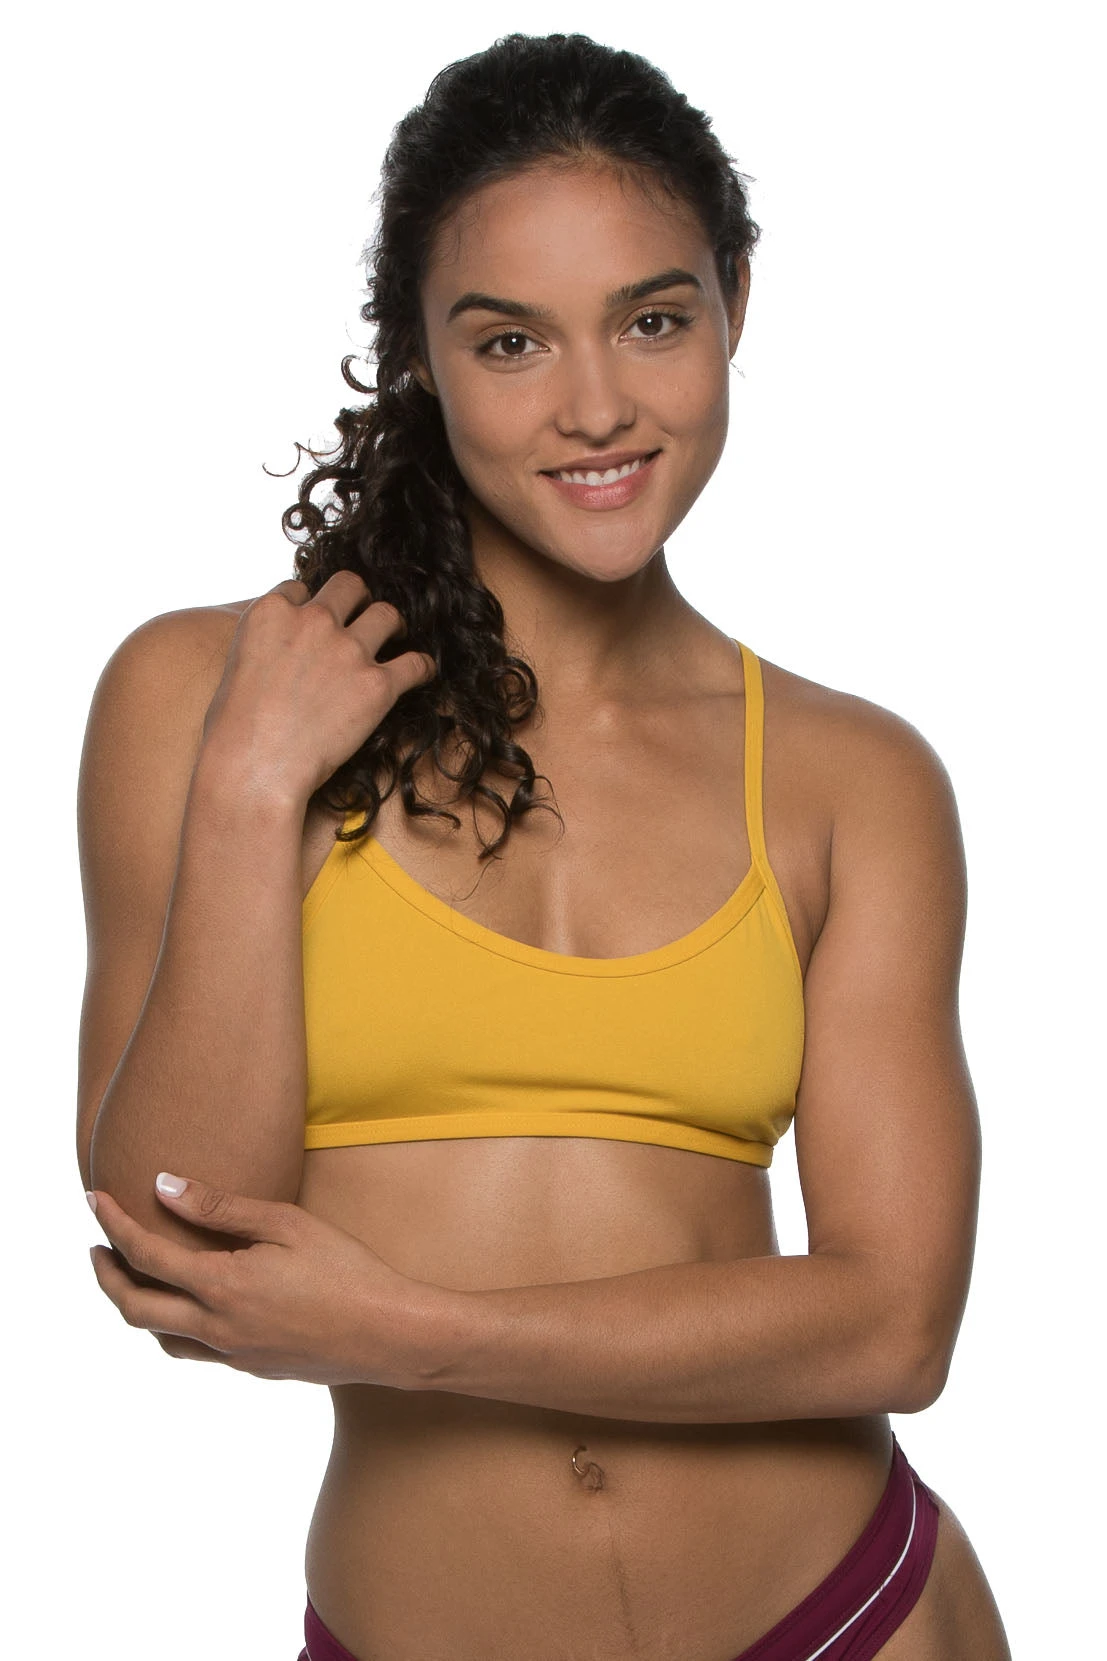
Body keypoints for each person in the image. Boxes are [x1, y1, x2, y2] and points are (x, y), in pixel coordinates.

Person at [77, 31, 1013, 1661]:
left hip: (849, 1612)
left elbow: (889, 1325)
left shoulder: (852, 778)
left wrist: (412, 1331)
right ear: (416, 354)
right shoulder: (202, 698)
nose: (596, 407)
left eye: (653, 320)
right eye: (509, 341)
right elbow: (184, 1248)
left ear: (734, 303)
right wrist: (248, 791)